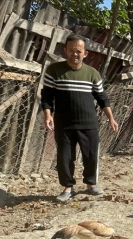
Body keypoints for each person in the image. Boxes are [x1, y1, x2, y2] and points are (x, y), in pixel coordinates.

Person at [41, 34, 119, 202]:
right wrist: (48, 115)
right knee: (65, 157)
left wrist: (111, 118)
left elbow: (102, 98)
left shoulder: (92, 73)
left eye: (78, 51)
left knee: (91, 155)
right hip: (64, 123)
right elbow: (46, 96)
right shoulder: (54, 71)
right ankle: (68, 188)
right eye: (71, 50)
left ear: (85, 54)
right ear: (65, 51)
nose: (74, 54)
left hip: (88, 123)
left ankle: (91, 184)